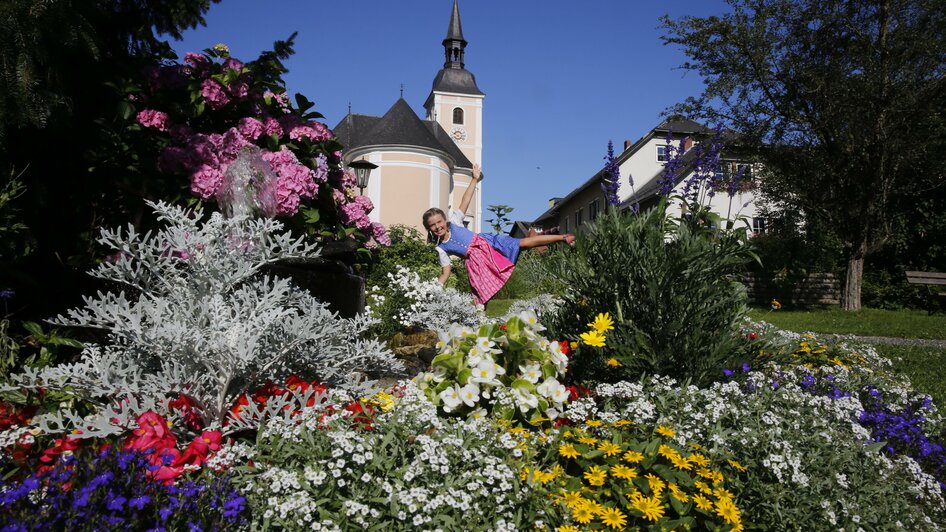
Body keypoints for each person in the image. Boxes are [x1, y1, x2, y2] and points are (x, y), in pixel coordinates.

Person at [422, 164, 575, 305]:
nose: (437, 227)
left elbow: (465, 199)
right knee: (480, 294)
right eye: (433, 225)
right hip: (476, 262)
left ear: (444, 220)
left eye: (439, 222)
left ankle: (562, 237)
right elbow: (445, 272)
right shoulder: (441, 248)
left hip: (488, 243)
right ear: (429, 229)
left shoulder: (455, 221)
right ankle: (481, 322)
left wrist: (474, 179)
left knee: (521, 243)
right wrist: (435, 288)